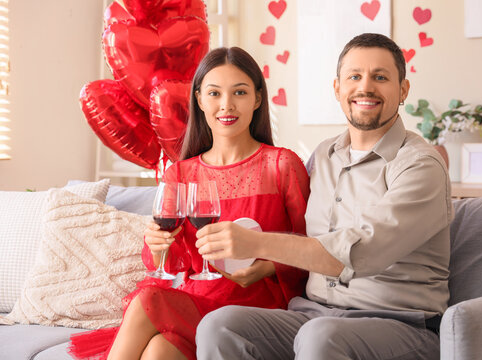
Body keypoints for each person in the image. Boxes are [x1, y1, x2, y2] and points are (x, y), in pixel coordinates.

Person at [195, 33, 453, 360]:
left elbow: (360, 253)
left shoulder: (420, 165)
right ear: (337, 89)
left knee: (321, 336)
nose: (365, 87)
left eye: (381, 77)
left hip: (400, 323)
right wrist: (265, 263)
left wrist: (256, 243)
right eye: (354, 77)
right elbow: (297, 233)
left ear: (403, 90)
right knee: (218, 325)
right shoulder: (323, 156)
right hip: (312, 314)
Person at [69, 46, 309, 360]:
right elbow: (170, 263)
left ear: (257, 99)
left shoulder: (282, 165)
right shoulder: (181, 173)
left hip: (257, 311)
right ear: (198, 99)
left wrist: (267, 268)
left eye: (239, 92)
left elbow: (312, 248)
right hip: (196, 304)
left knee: (148, 300)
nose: (227, 105)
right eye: (214, 93)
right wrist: (157, 246)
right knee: (157, 351)